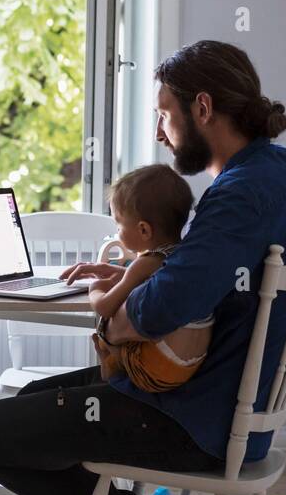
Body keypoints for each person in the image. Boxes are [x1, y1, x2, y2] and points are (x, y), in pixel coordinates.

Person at [0, 40, 286, 495]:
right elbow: (191, 277)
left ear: (202, 108)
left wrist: (120, 310)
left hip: (193, 425)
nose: (160, 132)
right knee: (26, 408)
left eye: (164, 114)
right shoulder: (276, 171)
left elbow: (158, 312)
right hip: (216, 409)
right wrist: (131, 272)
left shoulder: (239, 195)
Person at [88, 163, 213, 392]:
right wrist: (123, 276)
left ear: (144, 230)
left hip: (153, 369)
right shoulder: (183, 256)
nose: (117, 231)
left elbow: (105, 307)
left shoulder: (145, 262)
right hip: (189, 366)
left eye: (118, 223)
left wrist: (95, 289)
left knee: (104, 325)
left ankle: (109, 360)